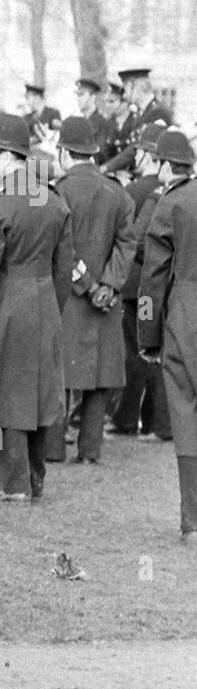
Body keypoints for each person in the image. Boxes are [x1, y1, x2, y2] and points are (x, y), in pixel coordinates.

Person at [0, 113, 74, 503]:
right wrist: (53, 308)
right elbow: (64, 269)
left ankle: (12, 485)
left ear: (7, 156)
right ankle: (35, 479)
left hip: (9, 301)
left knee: (6, 392)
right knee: (39, 392)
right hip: (45, 299)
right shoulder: (54, 200)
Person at [47, 116, 134, 465]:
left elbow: (60, 249)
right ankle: (90, 450)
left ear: (63, 152)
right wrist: (108, 285)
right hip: (107, 300)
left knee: (59, 374)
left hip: (69, 296)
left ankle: (52, 448)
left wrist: (87, 285)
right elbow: (127, 245)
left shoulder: (58, 191)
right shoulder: (119, 192)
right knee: (100, 376)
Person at [138, 129, 197, 542]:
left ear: (164, 165)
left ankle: (194, 520)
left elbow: (152, 279)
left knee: (187, 416)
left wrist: (148, 334)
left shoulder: (173, 203)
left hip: (185, 320)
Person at [112, 123, 171, 439]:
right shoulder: (173, 190)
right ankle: (152, 421)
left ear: (149, 155)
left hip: (137, 286)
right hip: (158, 288)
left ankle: (130, 418)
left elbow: (133, 239)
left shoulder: (135, 191)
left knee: (136, 352)